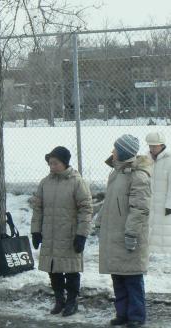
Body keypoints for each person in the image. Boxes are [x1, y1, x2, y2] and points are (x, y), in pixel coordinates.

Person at [95, 135, 151, 328]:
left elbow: (140, 209)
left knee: (132, 278)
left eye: (115, 149)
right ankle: (123, 313)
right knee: (118, 276)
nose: (112, 152)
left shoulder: (138, 176)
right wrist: (99, 220)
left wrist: (131, 234)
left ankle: (136, 315)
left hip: (129, 236)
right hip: (114, 235)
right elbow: (109, 202)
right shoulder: (116, 173)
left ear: (124, 152)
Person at [31, 146, 93, 317]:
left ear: (64, 163)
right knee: (53, 268)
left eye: (55, 163)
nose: (51, 166)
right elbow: (38, 208)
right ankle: (60, 300)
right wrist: (36, 231)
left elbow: (86, 209)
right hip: (50, 235)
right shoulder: (45, 182)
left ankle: (72, 302)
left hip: (69, 235)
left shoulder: (77, 182)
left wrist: (82, 234)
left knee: (71, 269)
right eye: (50, 163)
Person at [146, 132, 171, 254]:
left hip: (164, 202)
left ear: (162, 145)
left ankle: (164, 256)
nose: (152, 149)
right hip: (149, 201)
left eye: (154, 146)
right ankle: (151, 253)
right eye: (150, 146)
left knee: (164, 231)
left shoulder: (169, 160)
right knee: (151, 228)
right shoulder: (146, 159)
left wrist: (169, 204)